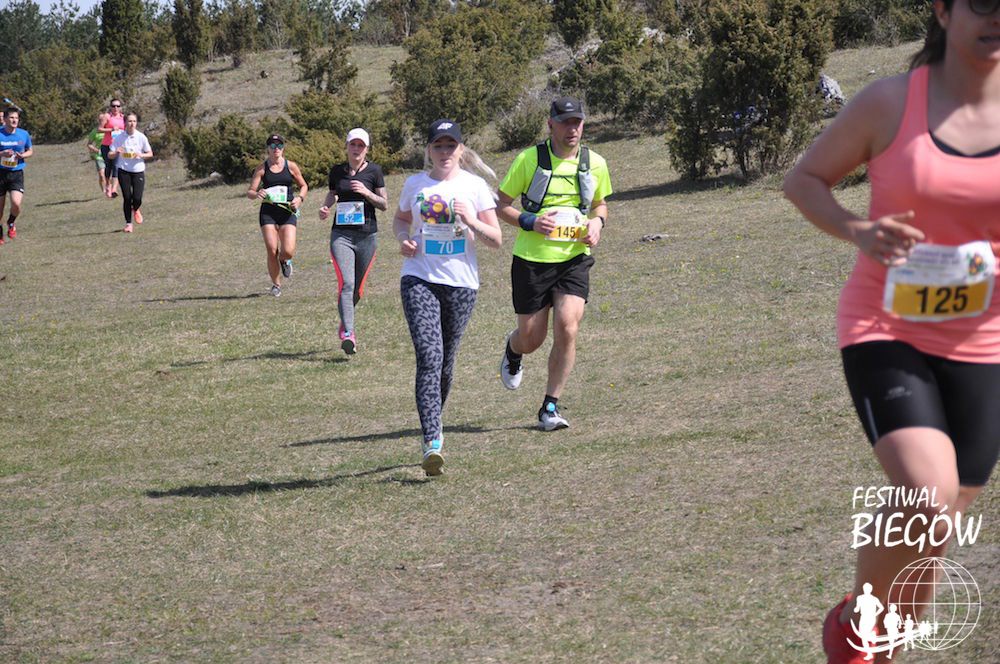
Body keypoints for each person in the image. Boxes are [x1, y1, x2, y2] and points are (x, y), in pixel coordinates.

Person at [783, 2, 1000, 662]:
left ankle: (872, 640)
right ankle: (857, 637)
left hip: (986, 342)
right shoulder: (890, 103)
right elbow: (804, 180)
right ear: (944, 10)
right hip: (887, 327)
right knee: (928, 498)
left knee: (934, 526)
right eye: (981, 2)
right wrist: (859, 230)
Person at [496, 97, 612, 430]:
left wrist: (597, 223)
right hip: (532, 261)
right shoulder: (529, 159)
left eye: (577, 122)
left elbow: (600, 204)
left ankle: (550, 406)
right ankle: (514, 348)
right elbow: (500, 205)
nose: (571, 129)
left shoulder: (595, 163)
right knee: (532, 339)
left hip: (574, 259)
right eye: (565, 122)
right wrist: (530, 221)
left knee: (568, 327)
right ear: (551, 124)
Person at [393, 119, 502, 476]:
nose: (444, 152)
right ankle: (432, 440)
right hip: (419, 277)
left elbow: (496, 239)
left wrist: (472, 220)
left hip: (461, 284)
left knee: (445, 362)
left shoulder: (475, 186)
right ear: (428, 150)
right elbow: (400, 220)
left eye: (450, 146)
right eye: (438, 146)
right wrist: (403, 239)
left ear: (460, 149)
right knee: (429, 355)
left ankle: (434, 421)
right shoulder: (415, 184)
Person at [318, 128, 388, 354]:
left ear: (367, 149)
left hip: (367, 236)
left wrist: (367, 193)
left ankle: (344, 321)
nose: (356, 149)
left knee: (357, 290)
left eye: (361, 145)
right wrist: (326, 207)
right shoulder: (337, 171)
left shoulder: (374, 171)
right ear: (347, 147)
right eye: (353, 144)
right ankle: (349, 333)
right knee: (346, 284)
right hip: (342, 236)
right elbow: (333, 193)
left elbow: (384, 204)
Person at [247, 134, 308, 297]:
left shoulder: (291, 166)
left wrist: (299, 199)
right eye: (273, 146)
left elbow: (303, 186)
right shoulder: (262, 168)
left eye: (279, 146)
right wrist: (256, 194)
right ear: (268, 149)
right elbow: (250, 192)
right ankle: (276, 285)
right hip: (268, 212)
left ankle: (284, 260)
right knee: (272, 249)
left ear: (283, 148)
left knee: (288, 250)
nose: (276, 149)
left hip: (287, 211)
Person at [107, 113, 153, 233]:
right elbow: (110, 155)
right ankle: (128, 224)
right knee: (127, 197)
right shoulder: (119, 138)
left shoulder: (141, 137)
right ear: (125, 123)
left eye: (134, 121)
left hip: (138, 171)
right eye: (129, 121)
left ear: (136, 123)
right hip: (124, 171)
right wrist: (116, 152)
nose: (132, 124)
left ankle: (136, 208)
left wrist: (141, 155)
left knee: (137, 198)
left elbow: (150, 153)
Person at [0, 106, 33, 245]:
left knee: (16, 203)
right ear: (5, 119)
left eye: (16, 118)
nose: (14, 120)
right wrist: (2, 154)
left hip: (16, 173)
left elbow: (30, 150)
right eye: (12, 117)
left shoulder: (23, 134)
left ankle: (11, 222)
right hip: (1, 174)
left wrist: (23, 155)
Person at [99, 98, 125, 198]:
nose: (116, 108)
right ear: (110, 107)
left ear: (121, 107)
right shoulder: (107, 116)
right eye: (113, 106)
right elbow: (99, 129)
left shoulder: (123, 118)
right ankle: (107, 185)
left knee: (116, 166)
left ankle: (114, 189)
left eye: (118, 106)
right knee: (108, 166)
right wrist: (111, 129)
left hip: (118, 146)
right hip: (106, 145)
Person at [87, 112, 109, 194]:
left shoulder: (109, 130)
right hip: (99, 156)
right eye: (100, 120)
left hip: (108, 155)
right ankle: (103, 189)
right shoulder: (94, 131)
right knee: (102, 175)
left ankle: (109, 188)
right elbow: (89, 144)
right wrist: (96, 150)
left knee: (108, 174)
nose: (101, 121)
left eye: (103, 120)